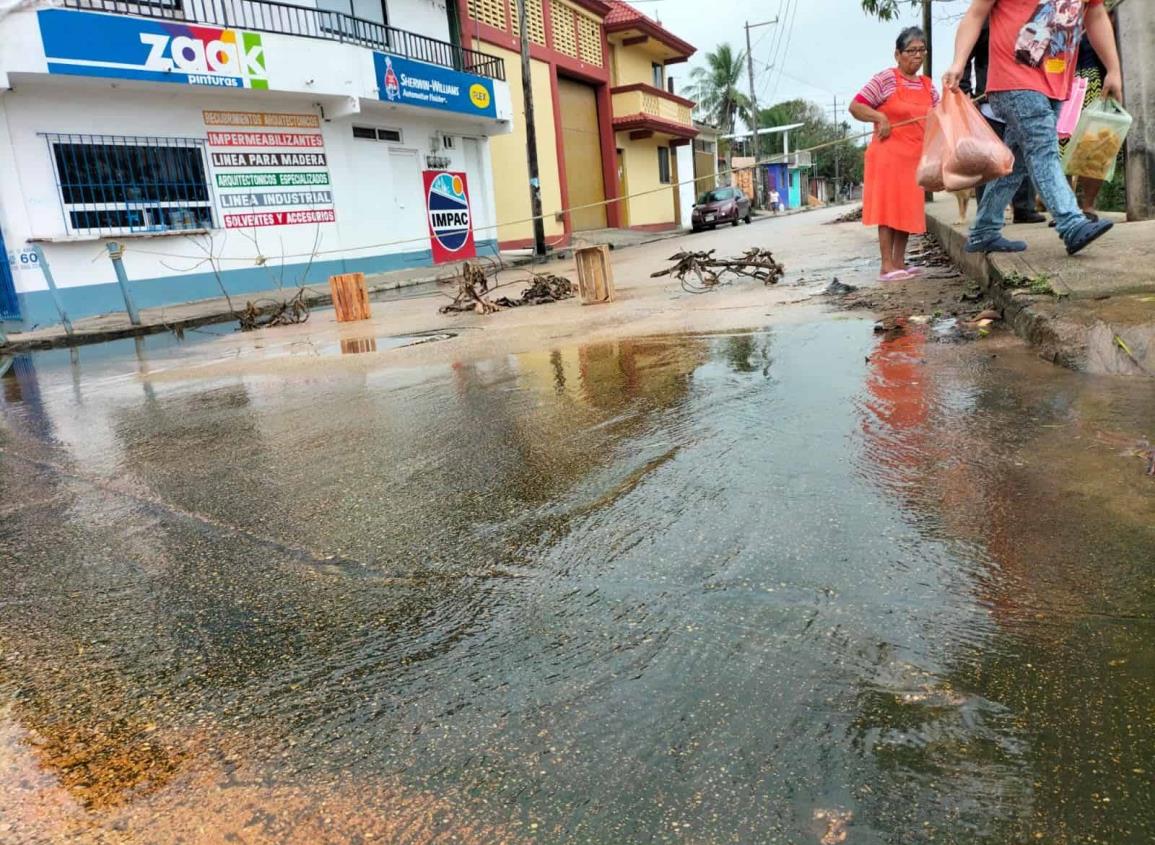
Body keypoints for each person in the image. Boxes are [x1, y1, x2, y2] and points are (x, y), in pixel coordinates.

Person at [943, 0, 1123, 256]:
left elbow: (1094, 14)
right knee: (1042, 146)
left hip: (1056, 83)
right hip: (1013, 79)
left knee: (1016, 162)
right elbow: (975, 14)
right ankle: (1071, 223)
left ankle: (984, 230)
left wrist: (1113, 69)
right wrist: (958, 62)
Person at [850, 26, 941, 282]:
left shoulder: (928, 86)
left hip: (914, 158)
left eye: (921, 50)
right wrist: (880, 116)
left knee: (906, 210)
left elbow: (939, 114)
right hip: (888, 156)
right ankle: (886, 265)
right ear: (897, 54)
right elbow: (856, 106)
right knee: (889, 210)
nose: (917, 56)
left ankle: (899, 262)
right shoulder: (885, 79)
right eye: (911, 50)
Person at [960, 20, 1044, 223]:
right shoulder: (983, 21)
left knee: (1021, 156)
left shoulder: (1030, 19)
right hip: (988, 100)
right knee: (988, 160)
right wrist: (965, 91)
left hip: (1023, 95)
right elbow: (964, 56)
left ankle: (1024, 208)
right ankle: (986, 213)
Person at [1059, 32, 1109, 220]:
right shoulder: (1053, 18)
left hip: (1094, 84)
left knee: (1094, 147)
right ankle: (1065, 208)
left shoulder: (1099, 18)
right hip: (1061, 86)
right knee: (1059, 148)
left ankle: (1088, 206)